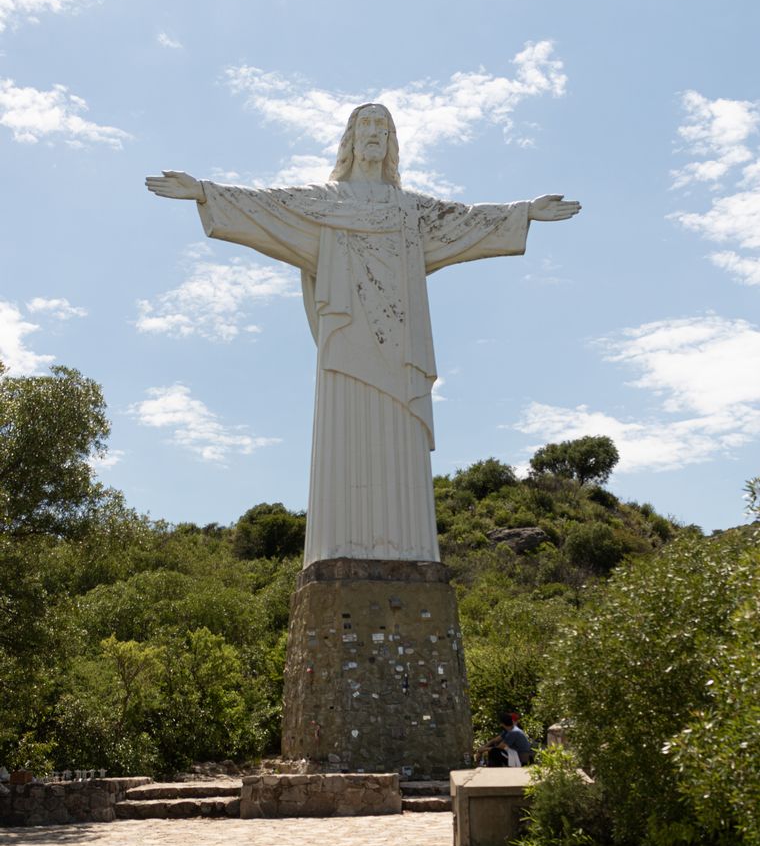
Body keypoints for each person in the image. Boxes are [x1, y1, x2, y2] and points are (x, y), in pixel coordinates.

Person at [146, 104, 580, 568]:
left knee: (401, 451)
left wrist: (525, 213)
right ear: (350, 140)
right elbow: (267, 205)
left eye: (383, 127)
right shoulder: (324, 202)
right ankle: (338, 557)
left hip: (399, 347)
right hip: (347, 342)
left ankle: (411, 555)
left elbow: (466, 221)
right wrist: (206, 193)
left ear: (392, 142)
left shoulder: (412, 211)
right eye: (365, 126)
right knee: (345, 441)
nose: (374, 133)